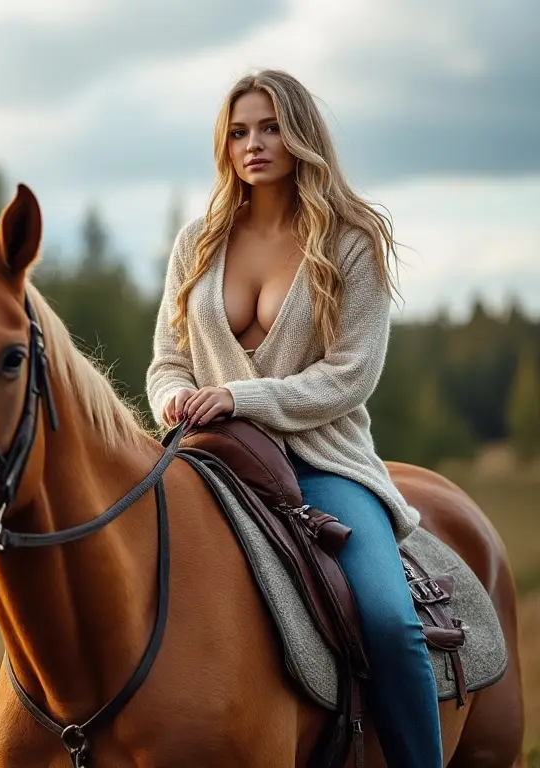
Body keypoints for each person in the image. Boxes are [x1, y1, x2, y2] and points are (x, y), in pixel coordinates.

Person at [145, 69, 442, 767]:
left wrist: (241, 397)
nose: (255, 143)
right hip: (208, 459)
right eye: (241, 131)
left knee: (389, 621)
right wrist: (172, 402)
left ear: (302, 134)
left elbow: (350, 376)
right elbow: (167, 359)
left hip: (320, 465)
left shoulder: (352, 238)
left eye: (271, 126)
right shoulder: (199, 241)